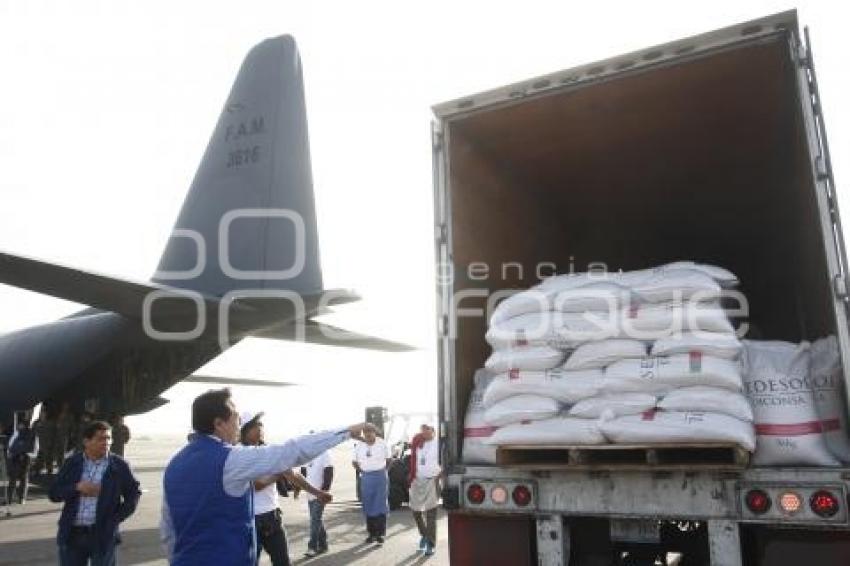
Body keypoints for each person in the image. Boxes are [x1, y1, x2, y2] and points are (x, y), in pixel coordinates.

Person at [160, 388, 366, 565]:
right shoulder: (230, 458)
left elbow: (168, 531)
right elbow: (291, 452)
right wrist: (346, 432)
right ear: (219, 423)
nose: (238, 425)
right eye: (235, 418)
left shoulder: (174, 464)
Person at [239, 411, 332, 566]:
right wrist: (278, 473)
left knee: (283, 562)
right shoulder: (240, 454)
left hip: (272, 518)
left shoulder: (269, 451)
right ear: (245, 430)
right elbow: (257, 485)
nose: (261, 428)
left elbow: (293, 475)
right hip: (250, 520)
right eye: (256, 425)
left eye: (261, 425)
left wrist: (318, 493)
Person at [48, 420, 142, 566]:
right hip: (72, 534)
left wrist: (115, 518)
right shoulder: (72, 463)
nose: (106, 443)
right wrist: (77, 488)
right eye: (100, 439)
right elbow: (54, 493)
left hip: (102, 534)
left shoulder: (119, 466)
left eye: (108, 438)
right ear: (86, 441)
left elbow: (134, 494)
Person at [352, 423, 391, 545]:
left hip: (380, 476)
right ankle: (371, 534)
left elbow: (389, 459)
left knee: (380, 506)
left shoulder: (382, 443)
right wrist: (362, 471)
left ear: (375, 432)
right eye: (366, 432)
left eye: (370, 431)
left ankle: (381, 534)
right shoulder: (359, 445)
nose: (368, 434)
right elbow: (354, 462)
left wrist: (385, 471)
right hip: (366, 477)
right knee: (368, 505)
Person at [408, 424, 441, 556]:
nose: (425, 432)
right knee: (415, 510)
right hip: (417, 480)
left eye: (427, 429)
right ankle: (424, 535)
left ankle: (431, 544)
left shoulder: (439, 443)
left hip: (432, 480)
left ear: (433, 430)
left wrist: (438, 477)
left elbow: (445, 460)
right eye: (422, 430)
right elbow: (413, 460)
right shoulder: (418, 442)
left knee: (431, 513)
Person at [303, 444, 334, 557]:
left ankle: (312, 547)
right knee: (316, 520)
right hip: (310, 494)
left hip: (320, 494)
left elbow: (329, 471)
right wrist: (297, 488)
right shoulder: (308, 455)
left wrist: (324, 491)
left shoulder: (325, 453)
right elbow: (303, 472)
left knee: (315, 520)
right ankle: (324, 544)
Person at [6, 417, 39, 509]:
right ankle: (21, 498)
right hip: (26, 458)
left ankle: (10, 497)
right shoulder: (33, 434)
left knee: (13, 478)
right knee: (24, 479)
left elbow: (10, 444)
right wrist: (33, 456)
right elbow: (36, 447)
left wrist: (10, 454)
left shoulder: (17, 433)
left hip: (16, 457)